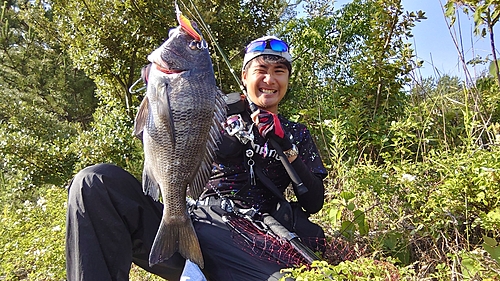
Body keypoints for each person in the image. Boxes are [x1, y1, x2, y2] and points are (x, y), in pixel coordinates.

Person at [65, 35, 327, 281]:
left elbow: (313, 202)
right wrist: (159, 91)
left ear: (287, 80)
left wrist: (285, 145)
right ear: (244, 76)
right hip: (192, 221)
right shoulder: (211, 113)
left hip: (253, 239)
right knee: (94, 182)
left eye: (279, 72)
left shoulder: (296, 133)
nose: (270, 79)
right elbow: (164, 130)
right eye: (261, 70)